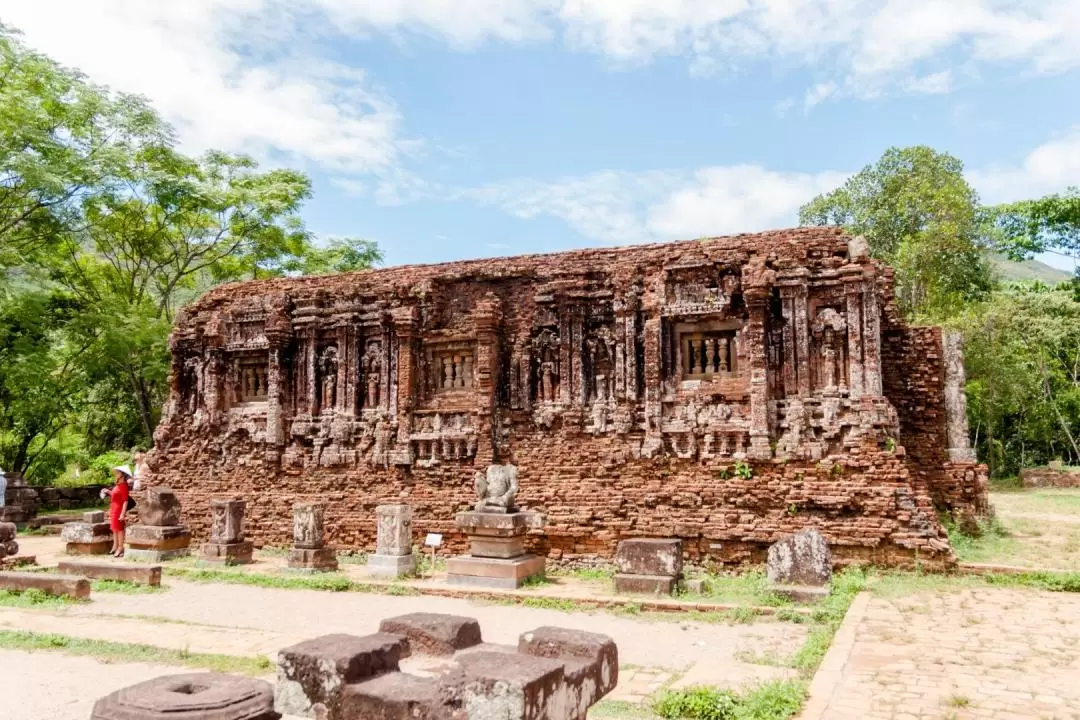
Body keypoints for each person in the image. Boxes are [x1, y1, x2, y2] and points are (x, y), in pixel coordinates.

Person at [102, 466, 132, 558]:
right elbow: (116, 496)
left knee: (119, 529)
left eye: (118, 473)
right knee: (114, 529)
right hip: (114, 509)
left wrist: (123, 513)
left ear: (122, 474)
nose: (116, 474)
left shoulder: (123, 486)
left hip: (119, 510)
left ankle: (120, 547)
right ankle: (115, 546)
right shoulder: (118, 485)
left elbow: (125, 500)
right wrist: (108, 492)